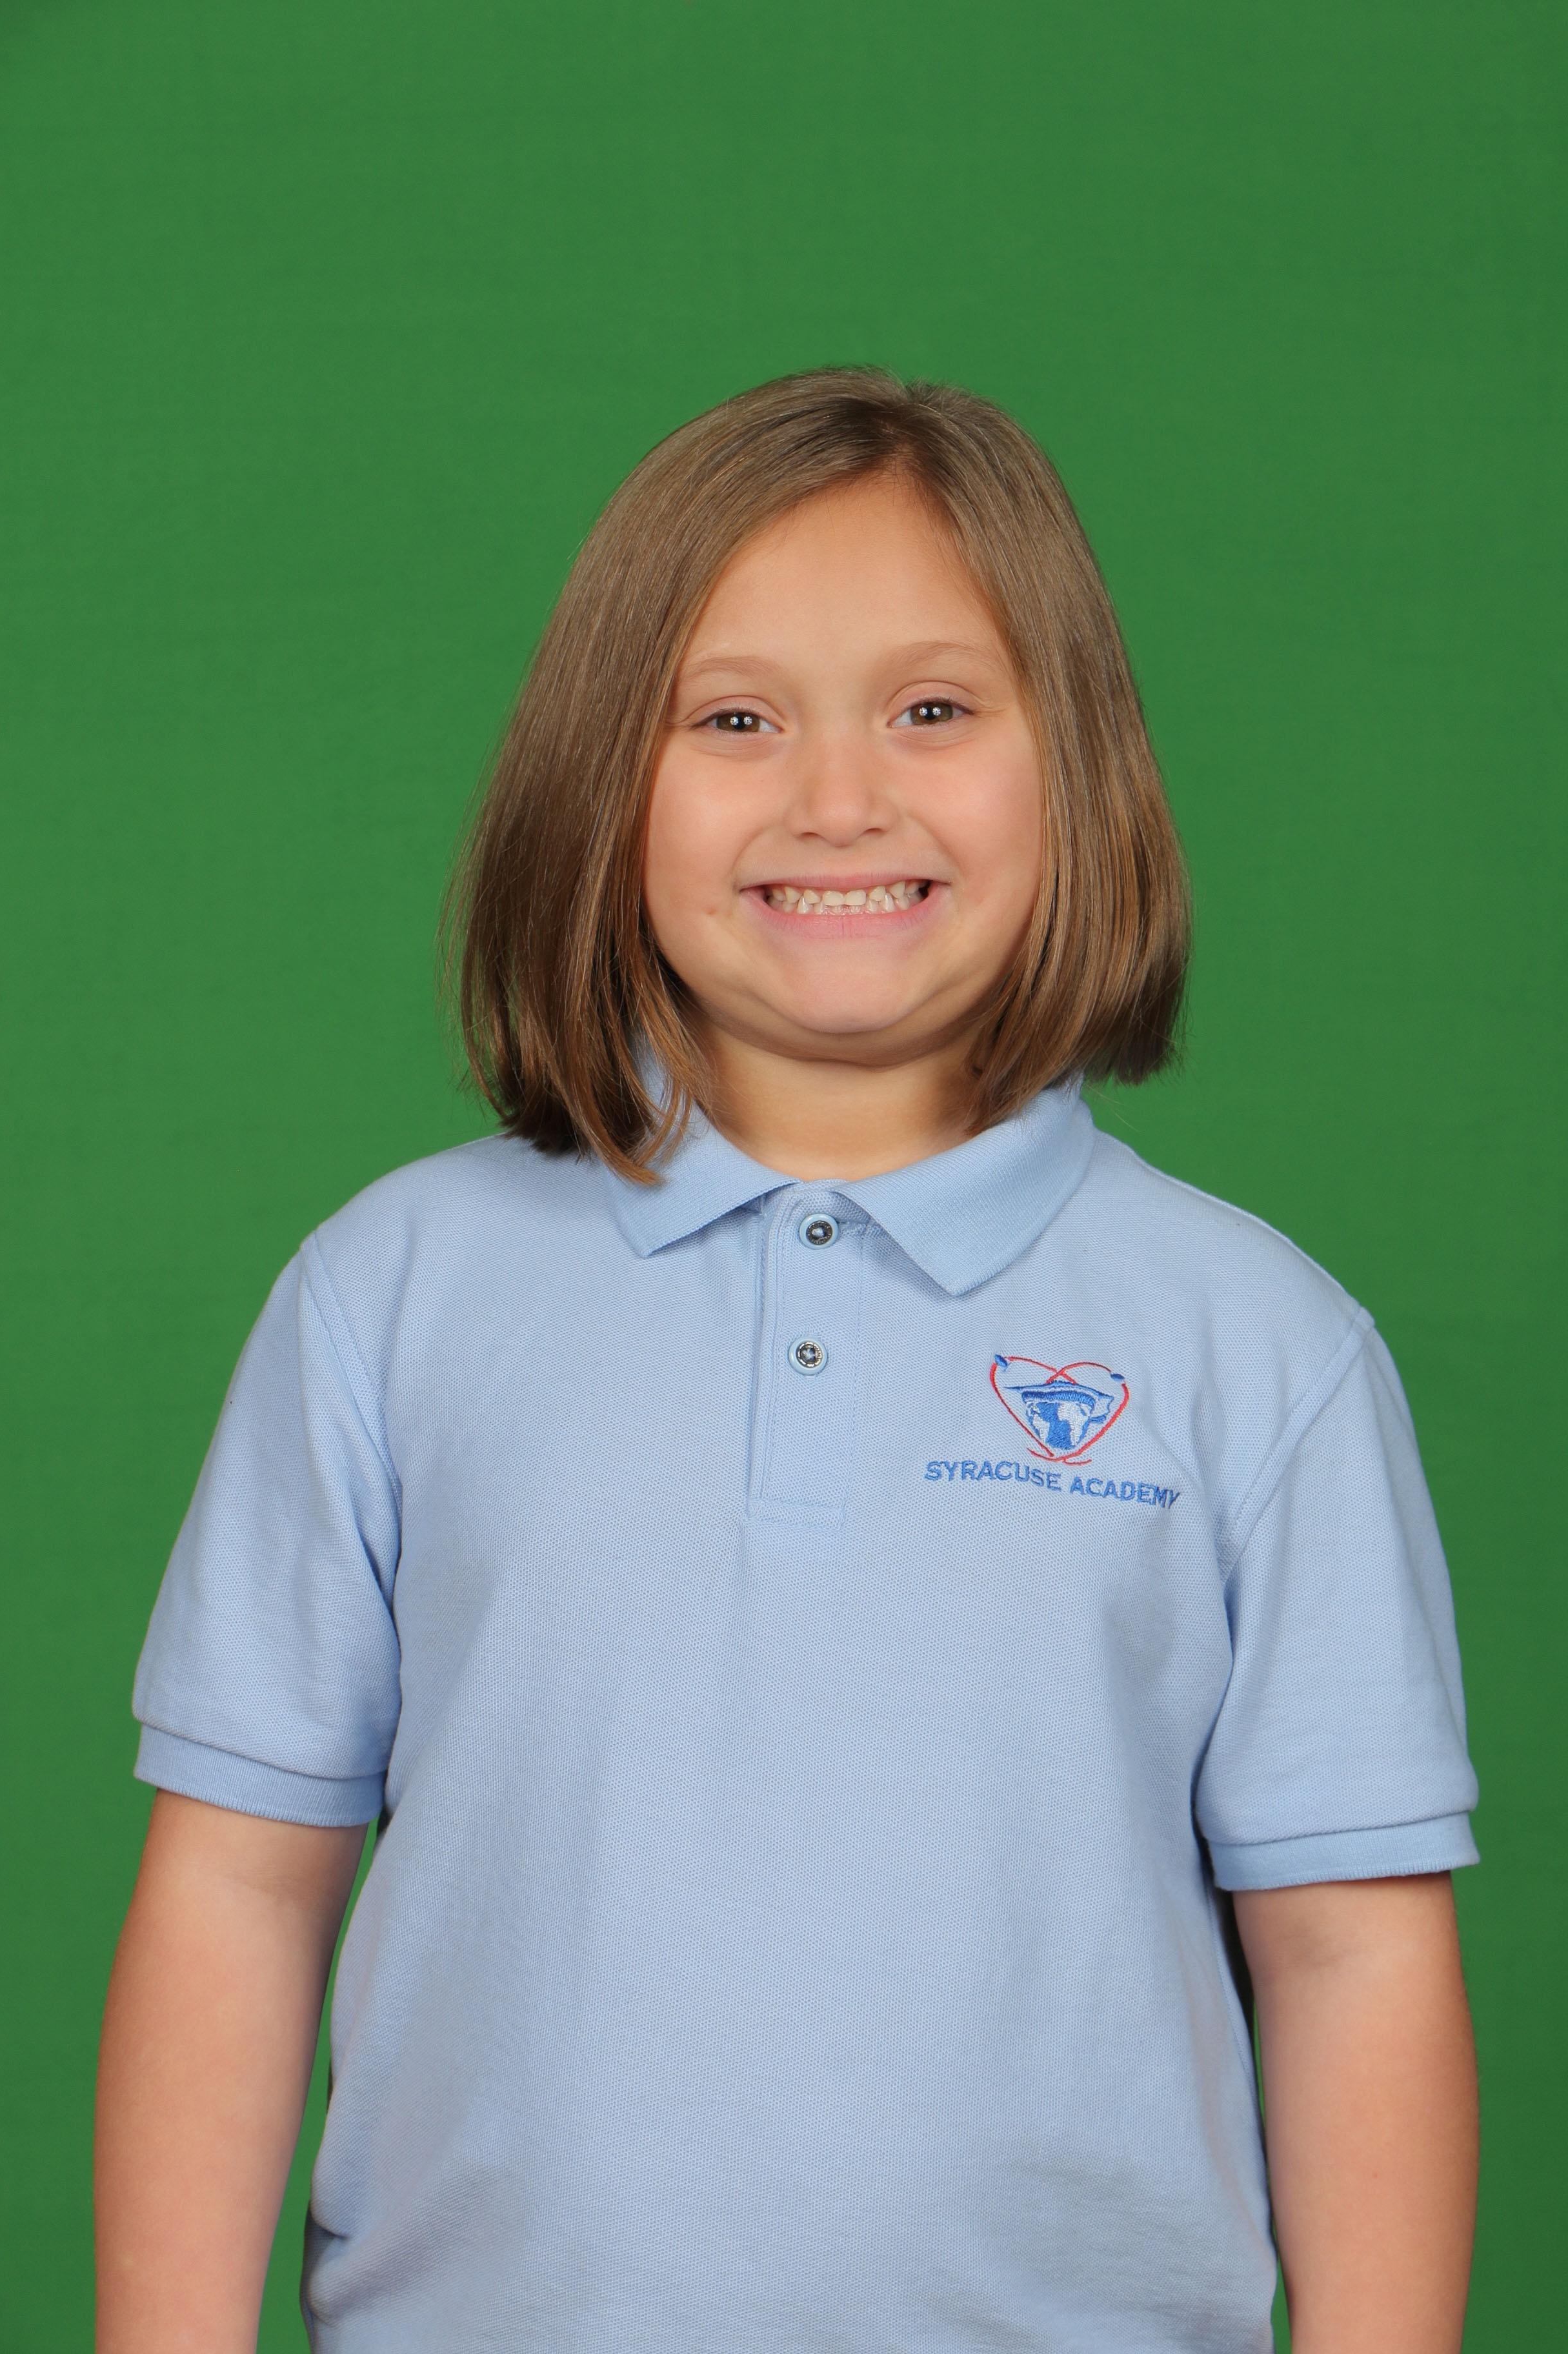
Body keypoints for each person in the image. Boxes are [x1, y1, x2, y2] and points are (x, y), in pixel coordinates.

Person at [95, 370, 1480, 2354]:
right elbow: (238, 1892)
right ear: (602, 781)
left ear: (1078, 767)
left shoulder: (1261, 1346)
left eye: (935, 709)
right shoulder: (389, 1293)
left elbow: (1353, 1960)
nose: (839, 799)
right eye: (734, 719)